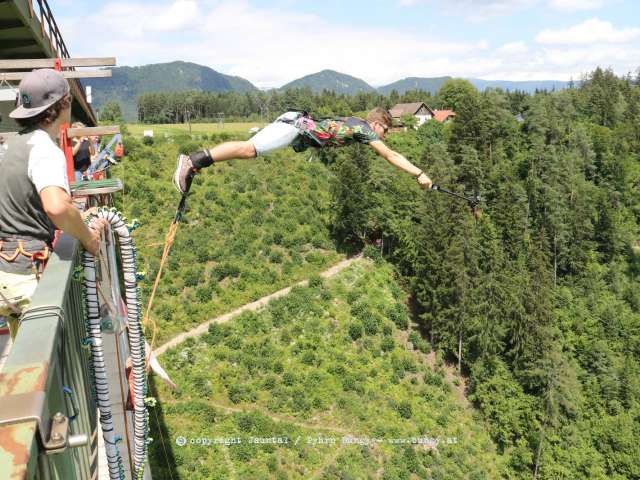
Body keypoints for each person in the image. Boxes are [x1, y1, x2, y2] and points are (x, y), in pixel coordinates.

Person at [0, 69, 105, 323]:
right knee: (50, 344)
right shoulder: (44, 148)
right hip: (27, 273)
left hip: (7, 269)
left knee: (23, 346)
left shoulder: (13, 144)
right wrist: (88, 237)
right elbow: (57, 207)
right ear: (63, 105)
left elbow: (26, 203)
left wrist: (78, 216)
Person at [173, 108, 433, 194]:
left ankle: (195, 163)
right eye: (385, 130)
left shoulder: (356, 124)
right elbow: (390, 155)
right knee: (249, 149)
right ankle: (192, 161)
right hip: (295, 127)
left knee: (249, 148)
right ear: (377, 124)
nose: (384, 136)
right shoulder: (363, 128)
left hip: (294, 124)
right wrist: (419, 173)